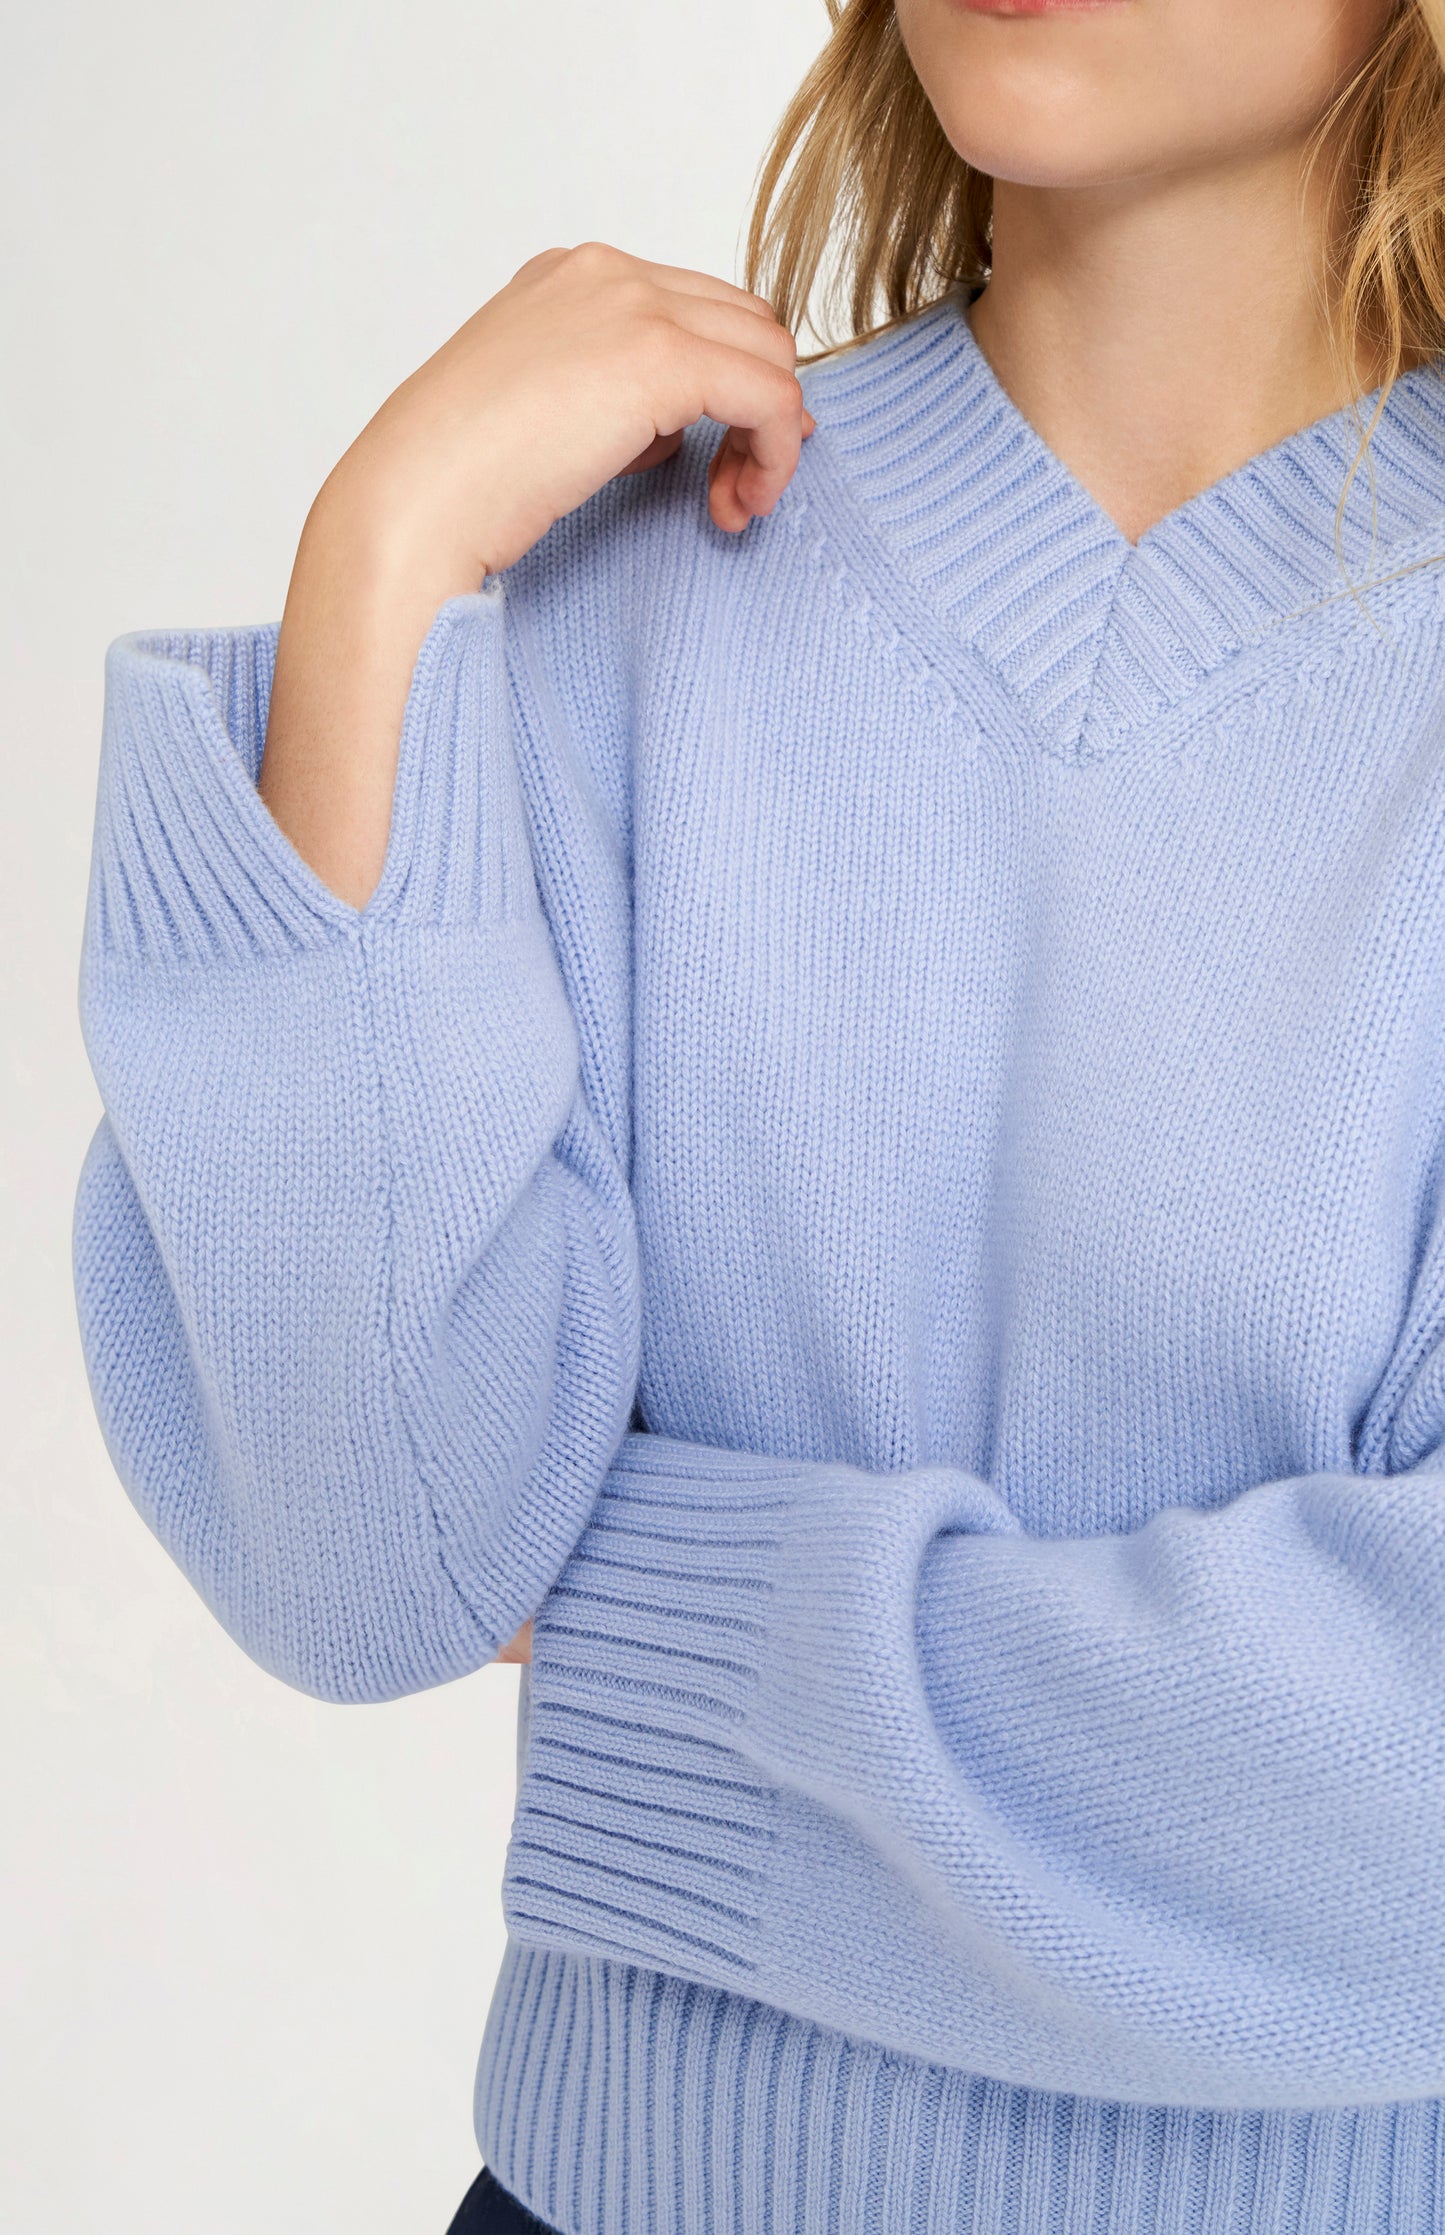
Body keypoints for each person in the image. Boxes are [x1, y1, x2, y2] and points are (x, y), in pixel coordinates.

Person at [72, 0, 1445, 2228]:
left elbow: (1405, 1816)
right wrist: (380, 569)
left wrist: (633, 1632)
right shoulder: (619, 578)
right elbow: (372, 1560)